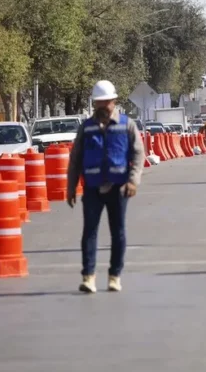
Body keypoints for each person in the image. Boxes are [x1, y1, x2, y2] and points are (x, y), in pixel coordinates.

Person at [67, 80, 145, 293]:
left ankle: (114, 276)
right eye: (98, 103)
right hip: (92, 188)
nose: (102, 107)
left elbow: (138, 154)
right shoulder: (87, 127)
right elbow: (75, 158)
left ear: (114, 101)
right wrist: (71, 187)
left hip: (119, 187)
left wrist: (133, 180)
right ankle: (89, 276)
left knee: (118, 232)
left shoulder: (126, 125)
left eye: (106, 102)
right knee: (89, 232)